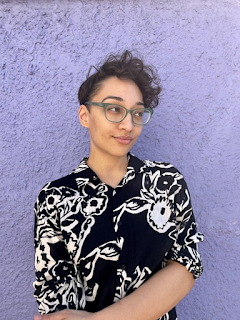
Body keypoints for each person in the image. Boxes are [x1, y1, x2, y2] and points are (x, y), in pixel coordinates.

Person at [33, 50, 204, 320]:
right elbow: (55, 299)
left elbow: (185, 267)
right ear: (85, 115)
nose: (128, 125)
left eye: (137, 113)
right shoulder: (55, 198)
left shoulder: (166, 182)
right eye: (114, 109)